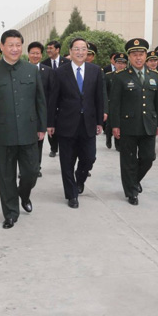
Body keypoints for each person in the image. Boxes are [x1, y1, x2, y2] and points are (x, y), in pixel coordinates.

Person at [0, 29, 46, 229]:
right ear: (2, 47)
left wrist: (42, 126)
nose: (15, 49)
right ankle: (10, 212)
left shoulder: (31, 70)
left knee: (31, 172)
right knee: (6, 175)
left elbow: (40, 101)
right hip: (3, 131)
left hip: (29, 130)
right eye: (11, 45)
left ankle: (23, 194)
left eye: (18, 45)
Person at [47, 38, 104, 208]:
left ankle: (80, 179)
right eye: (76, 49)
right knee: (67, 161)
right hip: (66, 123)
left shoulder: (95, 71)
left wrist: (100, 121)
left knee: (89, 157)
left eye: (83, 49)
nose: (80, 52)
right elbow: (53, 99)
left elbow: (99, 98)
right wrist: (50, 123)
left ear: (87, 52)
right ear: (70, 51)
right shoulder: (59, 72)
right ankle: (71, 194)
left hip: (88, 123)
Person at [110, 38, 158, 206]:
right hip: (128, 125)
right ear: (129, 57)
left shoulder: (155, 76)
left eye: (141, 54)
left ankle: (134, 180)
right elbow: (115, 103)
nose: (138, 58)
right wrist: (115, 125)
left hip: (148, 124)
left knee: (148, 157)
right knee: (128, 160)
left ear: (146, 56)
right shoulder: (120, 77)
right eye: (135, 55)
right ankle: (131, 191)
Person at [28, 41, 52, 178]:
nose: (35, 55)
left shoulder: (47, 71)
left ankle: (37, 167)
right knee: (25, 143)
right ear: (28, 54)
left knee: (39, 141)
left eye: (38, 53)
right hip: (26, 113)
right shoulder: (22, 69)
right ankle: (26, 169)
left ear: (41, 55)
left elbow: (51, 93)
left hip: (41, 113)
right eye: (33, 53)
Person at [104, 53, 128, 151]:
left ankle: (118, 143)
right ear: (115, 63)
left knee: (120, 123)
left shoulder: (128, 76)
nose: (120, 65)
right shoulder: (109, 76)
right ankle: (108, 137)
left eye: (123, 63)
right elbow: (104, 91)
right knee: (109, 124)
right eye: (118, 63)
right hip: (110, 104)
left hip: (123, 104)